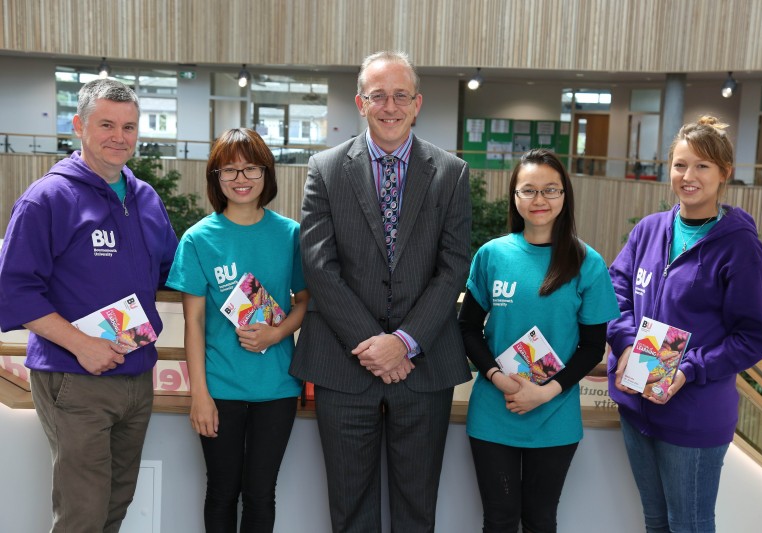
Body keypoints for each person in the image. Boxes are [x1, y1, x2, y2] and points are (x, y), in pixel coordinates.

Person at [290, 50, 472, 532]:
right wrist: (376, 346)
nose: (389, 106)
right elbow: (318, 266)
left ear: (417, 104)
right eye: (378, 96)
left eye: (399, 96)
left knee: (417, 509)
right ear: (360, 102)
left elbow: (453, 269)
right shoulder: (325, 169)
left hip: (424, 366)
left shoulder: (451, 172)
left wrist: (404, 342)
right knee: (350, 509)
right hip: (343, 364)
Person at [0, 78, 178, 531]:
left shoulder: (146, 199)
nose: (119, 137)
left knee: (115, 505)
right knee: (83, 513)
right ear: (79, 126)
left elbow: (171, 273)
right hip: (74, 377)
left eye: (130, 127)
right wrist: (81, 343)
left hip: (136, 375)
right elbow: (14, 289)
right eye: (107, 125)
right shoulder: (47, 199)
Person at [607, 116, 762, 533]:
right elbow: (616, 290)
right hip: (636, 404)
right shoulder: (649, 230)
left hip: (693, 415)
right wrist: (626, 342)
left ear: (724, 173)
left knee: (689, 525)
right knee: (656, 523)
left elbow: (753, 337)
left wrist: (688, 368)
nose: (689, 176)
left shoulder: (739, 247)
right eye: (680, 165)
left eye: (702, 166)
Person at [458, 149, 619, 533]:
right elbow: (467, 329)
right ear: (514, 196)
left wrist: (545, 393)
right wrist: (498, 377)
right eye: (528, 190)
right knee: (498, 520)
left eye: (551, 190)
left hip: (554, 413)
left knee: (540, 521)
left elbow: (593, 346)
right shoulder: (492, 255)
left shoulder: (586, 261)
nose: (540, 200)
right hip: (495, 411)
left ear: (565, 196)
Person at [166, 128, 308, 532]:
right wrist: (200, 396)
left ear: (267, 175)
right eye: (229, 170)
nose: (241, 178)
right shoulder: (198, 239)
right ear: (215, 177)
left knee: (262, 493)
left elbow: (305, 301)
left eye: (251, 168)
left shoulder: (290, 234)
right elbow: (192, 323)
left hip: (278, 388)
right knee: (222, 490)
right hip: (220, 388)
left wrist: (278, 334)